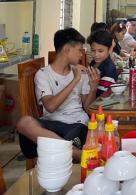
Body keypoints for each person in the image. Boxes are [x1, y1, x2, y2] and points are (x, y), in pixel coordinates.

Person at [16, 28, 100, 162]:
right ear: (67, 49)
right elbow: (50, 106)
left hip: (76, 124)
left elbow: (87, 107)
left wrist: (93, 87)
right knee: (24, 122)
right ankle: (77, 153)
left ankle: (68, 150)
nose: (81, 54)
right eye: (79, 50)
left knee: (69, 137)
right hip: (50, 126)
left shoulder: (81, 73)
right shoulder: (43, 74)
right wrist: (74, 81)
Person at [87, 30, 118, 97]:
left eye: (100, 51)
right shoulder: (94, 62)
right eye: (93, 50)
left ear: (110, 49)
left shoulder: (109, 70)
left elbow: (100, 97)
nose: (96, 55)